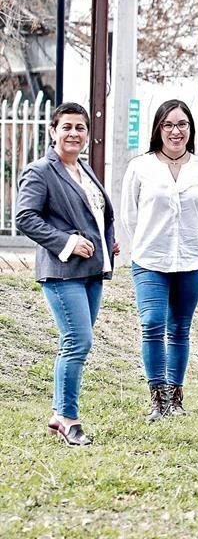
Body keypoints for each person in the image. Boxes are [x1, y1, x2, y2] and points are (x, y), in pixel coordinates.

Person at [15, 102, 118, 446]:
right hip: (62, 272)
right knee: (78, 341)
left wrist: (108, 242)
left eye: (80, 128)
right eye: (67, 127)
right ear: (53, 131)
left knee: (75, 343)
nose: (74, 133)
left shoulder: (84, 169)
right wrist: (67, 242)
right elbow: (26, 217)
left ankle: (61, 412)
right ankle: (67, 418)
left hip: (91, 270)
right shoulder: (41, 171)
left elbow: (95, 215)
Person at [120, 99, 198, 422]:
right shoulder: (140, 167)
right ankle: (157, 398)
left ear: (190, 129)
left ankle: (175, 396)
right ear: (158, 129)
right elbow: (129, 216)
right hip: (150, 259)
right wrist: (145, 243)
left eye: (182, 125)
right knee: (152, 324)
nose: (176, 131)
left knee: (180, 328)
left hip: (191, 261)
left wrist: (196, 245)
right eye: (169, 125)